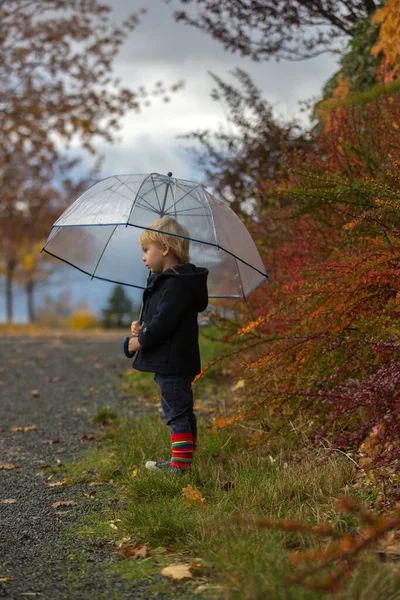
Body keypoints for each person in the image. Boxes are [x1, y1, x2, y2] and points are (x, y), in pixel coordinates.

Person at [128, 216, 209, 473]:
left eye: (146, 250)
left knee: (175, 412)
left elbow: (164, 323)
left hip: (172, 362)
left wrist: (139, 341)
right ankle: (182, 461)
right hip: (175, 360)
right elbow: (161, 319)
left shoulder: (176, 285)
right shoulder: (172, 283)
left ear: (164, 249)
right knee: (181, 410)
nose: (143, 257)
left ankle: (180, 466)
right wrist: (142, 326)